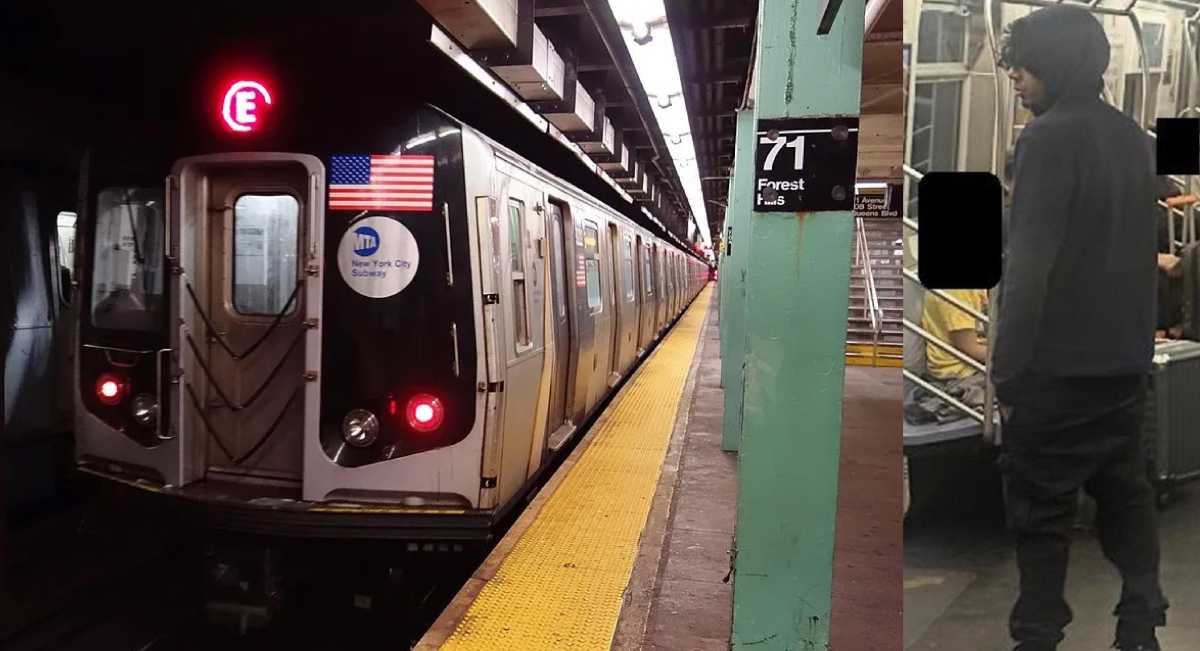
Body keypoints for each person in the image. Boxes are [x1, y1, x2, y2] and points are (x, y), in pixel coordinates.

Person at [992, 7, 1166, 651]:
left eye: (1025, 63)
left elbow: (1030, 267)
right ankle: (1140, 621)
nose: (1015, 75)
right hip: (1122, 360)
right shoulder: (1135, 139)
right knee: (1126, 493)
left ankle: (1038, 634)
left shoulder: (1046, 139)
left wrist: (1007, 369)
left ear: (1056, 64)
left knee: (1040, 511)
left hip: (1055, 369)